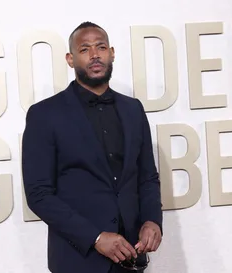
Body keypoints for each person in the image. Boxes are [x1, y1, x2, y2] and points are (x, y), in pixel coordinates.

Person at [21, 21, 163, 273]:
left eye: (101, 47)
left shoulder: (133, 109)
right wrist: (95, 237)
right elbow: (39, 194)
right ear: (70, 59)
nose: (95, 55)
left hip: (132, 256)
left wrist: (152, 220)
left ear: (112, 53)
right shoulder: (44, 114)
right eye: (84, 49)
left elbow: (147, 177)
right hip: (77, 261)